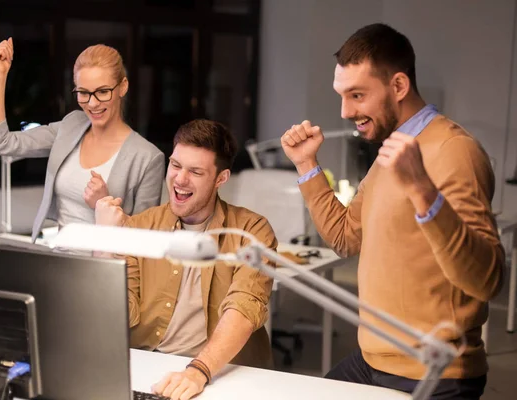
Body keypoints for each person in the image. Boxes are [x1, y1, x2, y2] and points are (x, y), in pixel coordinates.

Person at [280, 23, 504, 399]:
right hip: (375, 361)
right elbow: (345, 237)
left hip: (436, 373)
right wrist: (307, 166)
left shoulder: (454, 151)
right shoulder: (392, 153)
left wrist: (423, 191)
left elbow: (487, 280)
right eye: (342, 96)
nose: (345, 111)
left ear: (398, 86)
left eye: (357, 95)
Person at [96, 119, 277, 400]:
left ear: (221, 178)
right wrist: (105, 240)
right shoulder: (141, 227)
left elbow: (243, 308)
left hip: (219, 373)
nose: (180, 179)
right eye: (176, 165)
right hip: (152, 368)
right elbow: (117, 316)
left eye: (195, 171)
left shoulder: (251, 232)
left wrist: (198, 371)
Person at [0, 38, 165, 242]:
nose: (92, 103)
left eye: (103, 92)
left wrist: (103, 204)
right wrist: (0, 74)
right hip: (59, 264)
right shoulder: (71, 126)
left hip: (105, 270)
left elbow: (146, 241)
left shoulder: (148, 158)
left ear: (123, 87)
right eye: (83, 93)